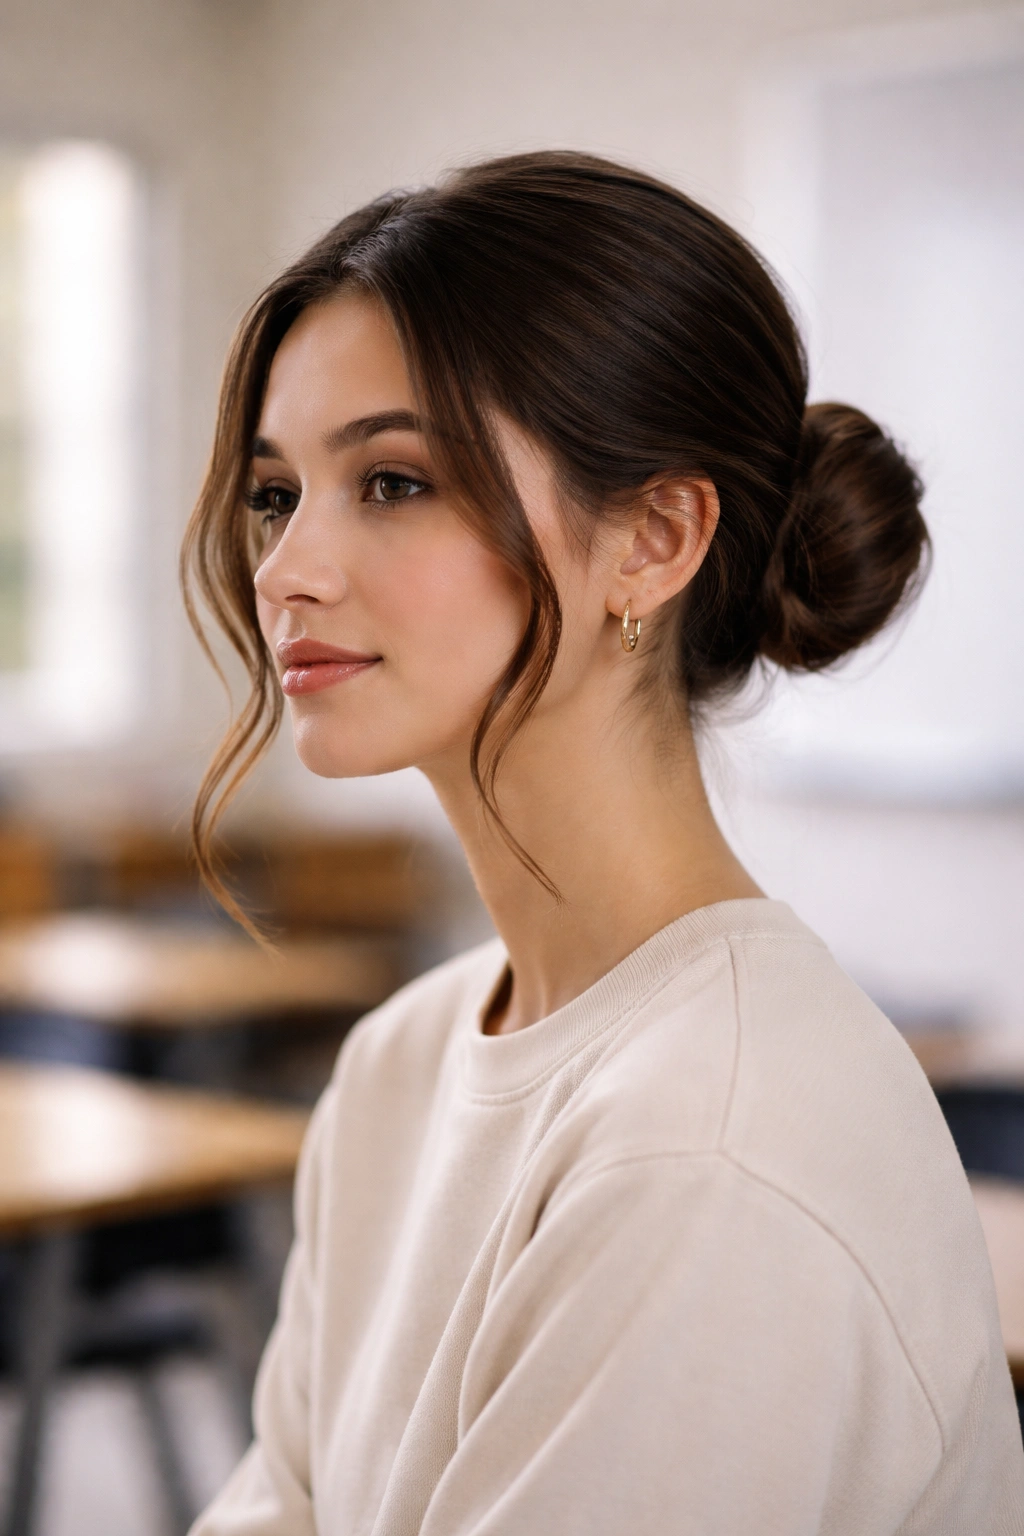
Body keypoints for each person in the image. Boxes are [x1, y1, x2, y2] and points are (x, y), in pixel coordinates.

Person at [182, 152, 1024, 1534]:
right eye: (277, 493)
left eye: (391, 483)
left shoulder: (715, 1149)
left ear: (654, 538)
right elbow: (281, 1501)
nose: (285, 568)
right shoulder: (403, 1058)